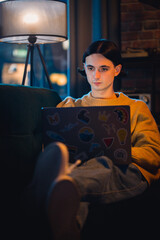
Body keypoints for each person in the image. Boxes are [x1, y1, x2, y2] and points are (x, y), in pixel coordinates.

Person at [31, 39, 160, 240]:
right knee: (74, 169)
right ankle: (68, 226)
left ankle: (58, 184)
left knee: (104, 163)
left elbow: (153, 154)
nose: (96, 75)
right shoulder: (70, 105)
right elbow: (51, 141)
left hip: (127, 170)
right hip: (81, 165)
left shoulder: (136, 108)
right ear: (84, 68)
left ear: (117, 70)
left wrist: (120, 150)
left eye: (104, 68)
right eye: (90, 68)